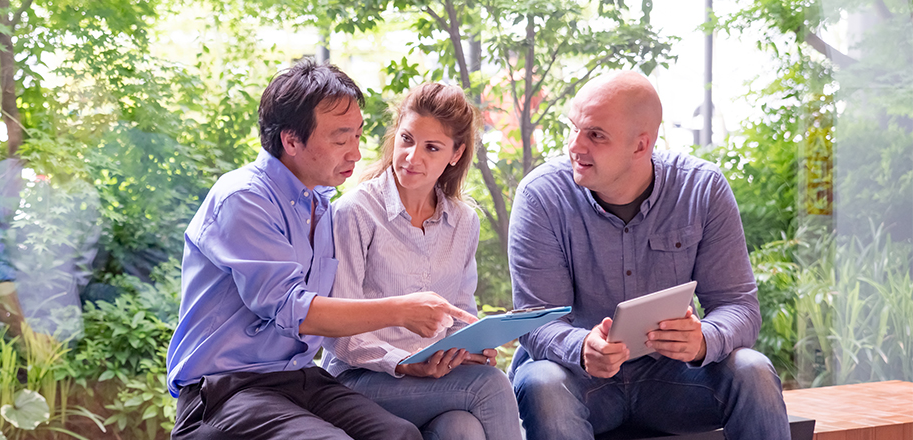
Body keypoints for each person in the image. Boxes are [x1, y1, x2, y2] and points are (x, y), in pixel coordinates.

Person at [166, 59, 478, 440]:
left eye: (359, 137)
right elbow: (293, 310)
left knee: (400, 436)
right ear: (292, 141)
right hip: (224, 388)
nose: (356, 153)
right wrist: (402, 311)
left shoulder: (321, 206)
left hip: (298, 378)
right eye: (340, 139)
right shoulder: (244, 198)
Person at [506, 71, 790, 439]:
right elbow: (534, 320)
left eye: (595, 135)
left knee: (754, 369)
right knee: (541, 380)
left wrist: (703, 339)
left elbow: (740, 307)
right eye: (572, 128)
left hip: (673, 379)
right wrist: (582, 348)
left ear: (641, 146)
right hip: (579, 380)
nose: (575, 146)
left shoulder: (702, 189)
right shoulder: (541, 196)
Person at [322, 83, 521, 440]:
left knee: (463, 429)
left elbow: (460, 311)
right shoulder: (355, 212)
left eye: (432, 147)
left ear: (456, 154)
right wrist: (404, 363)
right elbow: (339, 337)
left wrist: (469, 349)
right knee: (489, 386)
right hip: (360, 380)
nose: (413, 157)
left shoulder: (464, 221)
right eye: (407, 139)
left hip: (433, 377)